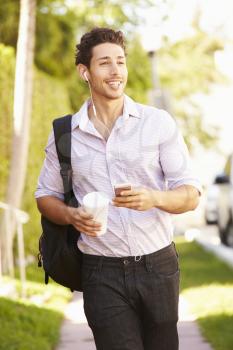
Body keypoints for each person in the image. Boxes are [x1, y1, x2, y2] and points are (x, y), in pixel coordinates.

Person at [35, 27, 202, 350]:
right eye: (105, 63)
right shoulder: (65, 132)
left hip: (159, 266)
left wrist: (154, 197)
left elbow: (191, 194)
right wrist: (72, 215)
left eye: (121, 62)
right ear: (85, 72)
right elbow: (45, 196)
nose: (116, 72)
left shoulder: (157, 123)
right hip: (100, 269)